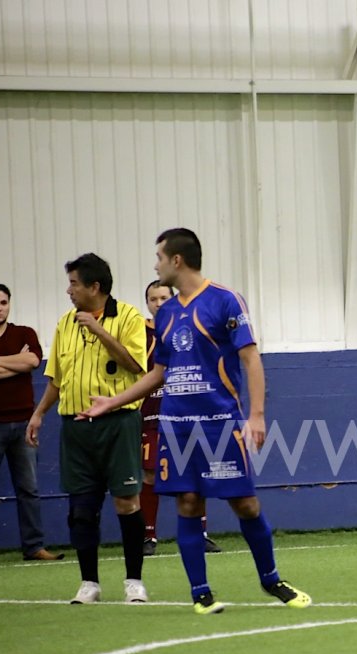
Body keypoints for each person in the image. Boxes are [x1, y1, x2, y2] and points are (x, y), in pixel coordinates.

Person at [81, 228, 310, 615]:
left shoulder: (225, 300)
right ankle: (201, 593)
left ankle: (271, 579)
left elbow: (251, 359)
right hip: (177, 426)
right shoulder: (167, 313)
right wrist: (114, 402)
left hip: (220, 423)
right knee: (188, 503)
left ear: (177, 260)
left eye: (159, 257)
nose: (155, 265)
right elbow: (159, 373)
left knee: (246, 504)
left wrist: (256, 415)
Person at [25, 255, 148, 603]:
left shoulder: (129, 317)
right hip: (76, 427)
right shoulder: (65, 323)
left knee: (126, 502)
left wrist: (99, 330)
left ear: (95, 287)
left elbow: (135, 364)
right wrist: (38, 414)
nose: (69, 290)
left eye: (74, 283)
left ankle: (134, 582)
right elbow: (56, 378)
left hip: (119, 423)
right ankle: (89, 583)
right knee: (81, 508)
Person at [0, 283, 63, 566]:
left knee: (29, 488)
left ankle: (34, 547)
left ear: (9, 305)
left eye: (3, 302)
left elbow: (32, 361)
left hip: (23, 422)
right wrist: (13, 365)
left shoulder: (25, 333)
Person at [137, 280, 220, 556]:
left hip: (187, 413)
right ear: (147, 303)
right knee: (150, 473)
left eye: (163, 297)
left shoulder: (186, 326)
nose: (159, 303)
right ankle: (148, 535)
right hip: (151, 414)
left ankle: (200, 533)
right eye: (153, 299)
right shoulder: (139, 334)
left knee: (194, 472)